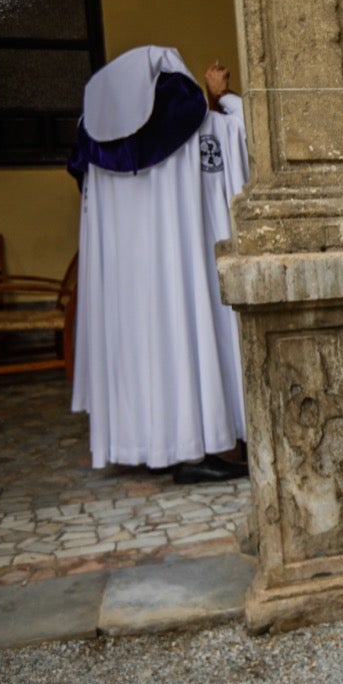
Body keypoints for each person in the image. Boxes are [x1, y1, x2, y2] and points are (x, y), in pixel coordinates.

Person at [69, 47, 249, 483]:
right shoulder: (199, 127)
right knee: (190, 340)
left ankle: (155, 441)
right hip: (185, 279)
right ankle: (203, 445)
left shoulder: (92, 144)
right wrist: (222, 97)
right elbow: (245, 142)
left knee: (143, 348)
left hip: (128, 286)